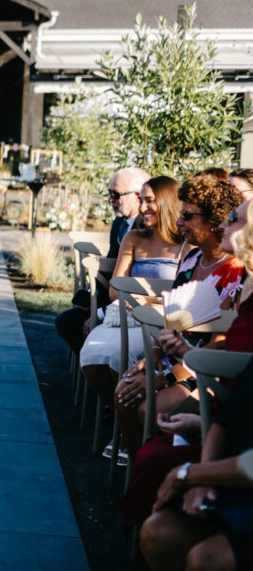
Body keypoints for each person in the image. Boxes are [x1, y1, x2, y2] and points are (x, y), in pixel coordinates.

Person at [115, 175, 245, 457]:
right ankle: (140, 467)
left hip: (204, 369)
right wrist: (150, 361)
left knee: (147, 408)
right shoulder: (191, 258)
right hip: (170, 357)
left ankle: (154, 470)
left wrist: (167, 376)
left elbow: (220, 344)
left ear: (214, 221)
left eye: (186, 215)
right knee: (122, 393)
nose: (177, 222)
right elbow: (172, 319)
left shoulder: (235, 273)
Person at [79, 175, 184, 456]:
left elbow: (187, 295)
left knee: (118, 359)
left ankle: (129, 435)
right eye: (142, 200)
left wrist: (145, 298)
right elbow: (115, 288)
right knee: (90, 358)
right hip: (126, 315)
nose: (144, 206)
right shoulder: (134, 236)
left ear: (168, 202)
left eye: (150, 200)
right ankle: (123, 422)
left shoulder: (188, 244)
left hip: (163, 320)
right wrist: (134, 298)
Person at [141, 361, 253, 570]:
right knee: (158, 532)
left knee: (205, 560)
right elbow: (227, 415)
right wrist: (204, 474)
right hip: (234, 471)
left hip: (242, 476)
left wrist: (194, 474)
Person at [55, 167, 150, 353]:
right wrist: (92, 296)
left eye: (116, 194)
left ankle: (100, 370)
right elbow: (111, 266)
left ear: (137, 195)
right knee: (67, 321)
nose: (110, 200)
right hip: (112, 299)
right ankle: (93, 370)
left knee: (69, 323)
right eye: (109, 194)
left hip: (132, 305)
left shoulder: (146, 229)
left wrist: (100, 313)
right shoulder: (120, 223)